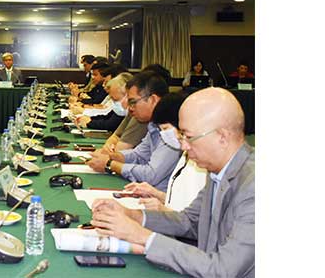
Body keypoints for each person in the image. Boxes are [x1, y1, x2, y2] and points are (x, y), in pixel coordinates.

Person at [90, 88, 254, 277]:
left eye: (188, 137)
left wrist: (143, 237)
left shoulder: (253, 186)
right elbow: (190, 221)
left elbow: (222, 270)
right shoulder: (218, 169)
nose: (183, 145)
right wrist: (132, 215)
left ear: (222, 137)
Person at [86, 71, 179, 191]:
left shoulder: (172, 128)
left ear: (153, 100)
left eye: (133, 102)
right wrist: (111, 156)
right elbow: (138, 155)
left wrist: (110, 164)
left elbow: (151, 175)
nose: (129, 108)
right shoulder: (154, 124)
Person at [123, 92, 208, 212]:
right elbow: (180, 201)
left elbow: (194, 217)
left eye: (166, 129)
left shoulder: (202, 162)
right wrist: (155, 193)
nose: (163, 135)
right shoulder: (185, 154)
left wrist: (163, 210)